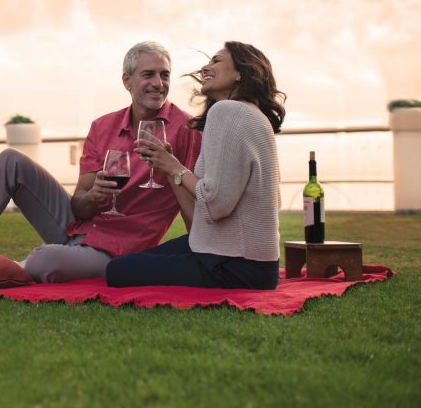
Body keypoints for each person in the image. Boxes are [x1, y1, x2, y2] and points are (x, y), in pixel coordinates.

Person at [0, 41, 202, 283]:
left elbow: (194, 205)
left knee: (43, 261)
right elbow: (79, 205)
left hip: (118, 250)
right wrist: (94, 196)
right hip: (79, 228)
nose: (159, 82)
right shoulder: (103, 126)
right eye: (148, 74)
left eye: (164, 75)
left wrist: (172, 170)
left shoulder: (186, 129)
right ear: (127, 81)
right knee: (9, 160)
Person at [105, 41, 286, 290]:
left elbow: (216, 204)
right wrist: (171, 167)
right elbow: (206, 211)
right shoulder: (251, 114)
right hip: (252, 262)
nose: (205, 67)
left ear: (241, 73)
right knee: (133, 262)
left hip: (235, 266)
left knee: (117, 271)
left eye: (217, 61)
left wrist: (175, 168)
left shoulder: (226, 112)